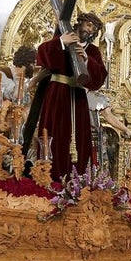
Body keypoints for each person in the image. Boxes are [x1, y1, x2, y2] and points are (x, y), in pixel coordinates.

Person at [27, 12, 108, 179]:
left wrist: (86, 60)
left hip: (77, 97)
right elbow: (43, 54)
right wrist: (61, 43)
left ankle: (76, 180)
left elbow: (100, 77)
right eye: (88, 25)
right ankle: (48, 175)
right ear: (79, 23)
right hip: (57, 94)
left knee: (78, 137)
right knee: (53, 132)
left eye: (94, 28)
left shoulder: (92, 50)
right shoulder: (63, 37)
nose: (90, 30)